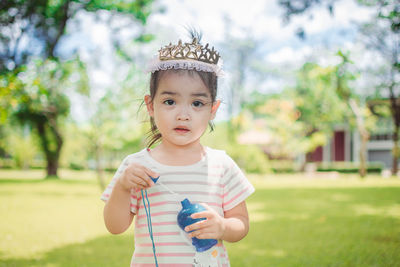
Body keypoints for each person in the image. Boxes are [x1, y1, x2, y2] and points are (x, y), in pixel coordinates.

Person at [101, 35, 255, 267]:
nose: (183, 114)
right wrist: (123, 186)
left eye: (197, 103)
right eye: (170, 102)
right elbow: (115, 227)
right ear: (151, 105)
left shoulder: (221, 165)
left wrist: (222, 226)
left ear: (213, 109)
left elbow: (241, 223)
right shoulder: (136, 167)